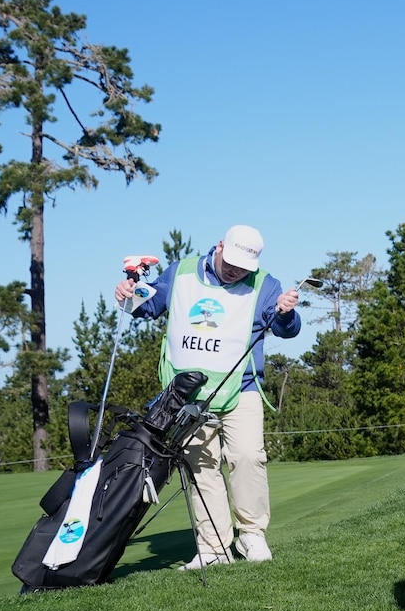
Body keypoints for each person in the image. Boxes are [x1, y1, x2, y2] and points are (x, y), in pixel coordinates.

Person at [114, 224, 302, 569]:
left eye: (243, 267)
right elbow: (149, 305)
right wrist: (130, 294)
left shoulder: (264, 284)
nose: (235, 271)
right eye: (231, 262)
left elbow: (283, 328)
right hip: (187, 394)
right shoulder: (182, 272)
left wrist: (286, 312)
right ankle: (214, 548)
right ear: (219, 246)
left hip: (241, 388)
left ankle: (251, 535)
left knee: (248, 457)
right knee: (201, 469)